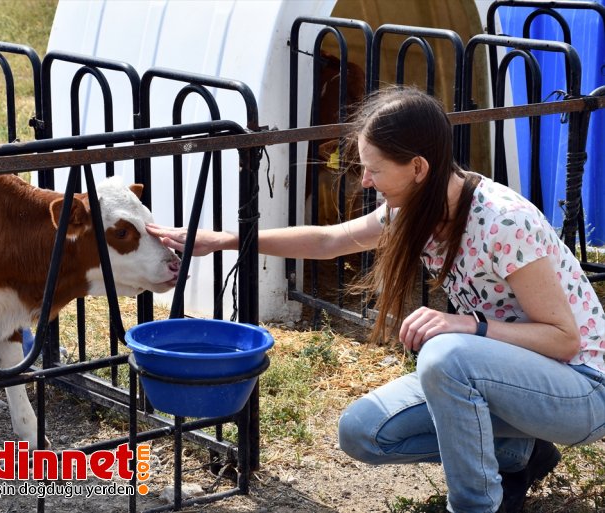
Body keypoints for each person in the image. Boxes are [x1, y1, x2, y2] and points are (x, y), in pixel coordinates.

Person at [146, 86, 605, 513]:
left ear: (418, 168)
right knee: (363, 433)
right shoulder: (413, 210)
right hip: (508, 379)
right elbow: (329, 240)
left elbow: (565, 341)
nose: (365, 181)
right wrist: (223, 239)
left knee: (447, 354)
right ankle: (518, 452)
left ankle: (475, 505)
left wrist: (469, 325)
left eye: (374, 168)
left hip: (581, 389)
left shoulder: (503, 222)